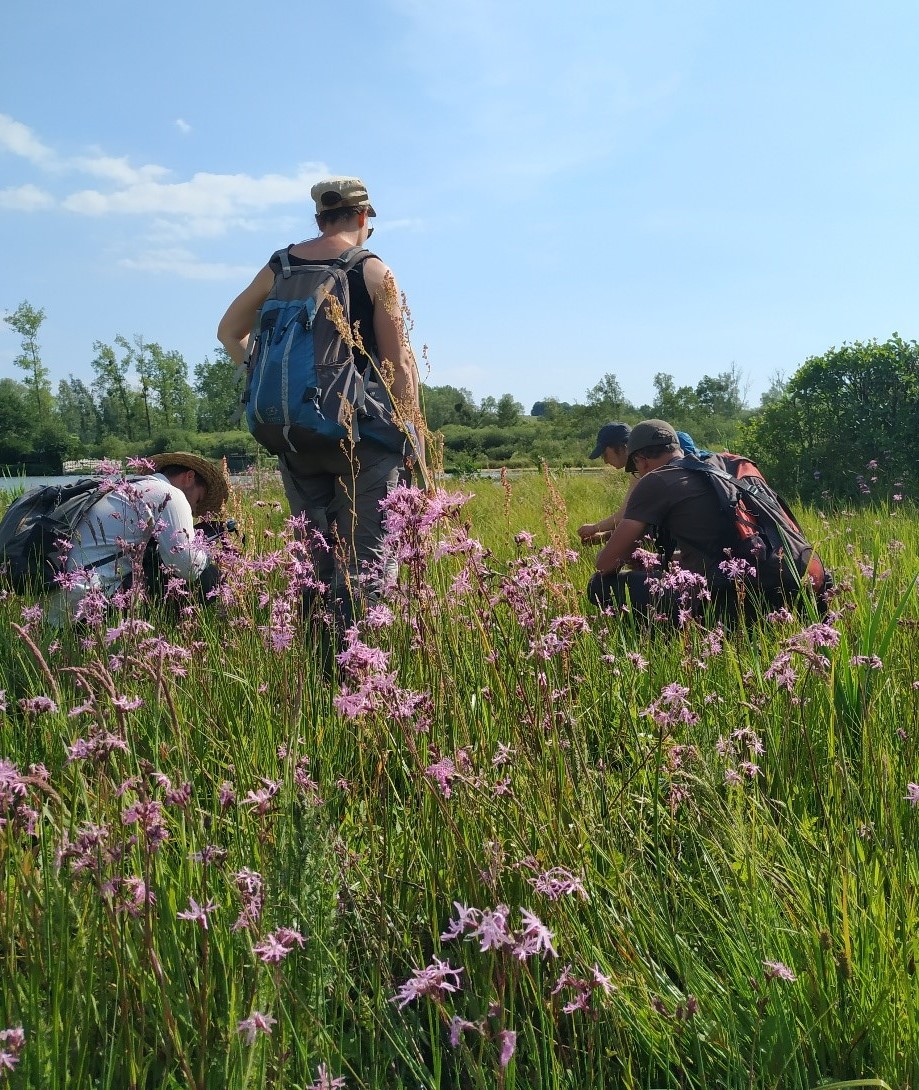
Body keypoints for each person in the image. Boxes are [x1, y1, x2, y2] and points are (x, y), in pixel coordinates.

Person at [217, 176, 425, 631]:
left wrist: (262, 373)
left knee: (313, 566)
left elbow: (228, 332)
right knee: (365, 567)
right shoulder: (373, 271)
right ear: (364, 217)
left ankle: (316, 671)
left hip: (295, 437)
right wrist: (413, 441)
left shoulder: (280, 267)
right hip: (363, 440)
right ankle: (361, 676)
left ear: (318, 218)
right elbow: (399, 365)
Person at [586, 420, 823, 622]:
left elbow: (605, 564)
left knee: (599, 585)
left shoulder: (656, 480)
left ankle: (662, 638)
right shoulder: (724, 466)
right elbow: (729, 549)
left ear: (641, 460)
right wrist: (657, 560)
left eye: (636, 468)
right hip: (795, 586)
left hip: (731, 602)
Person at [50, 452, 229, 623]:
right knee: (210, 577)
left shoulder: (127, 487)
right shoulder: (170, 494)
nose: (195, 511)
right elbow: (188, 567)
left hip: (56, 605)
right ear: (189, 477)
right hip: (88, 606)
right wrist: (206, 548)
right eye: (198, 500)